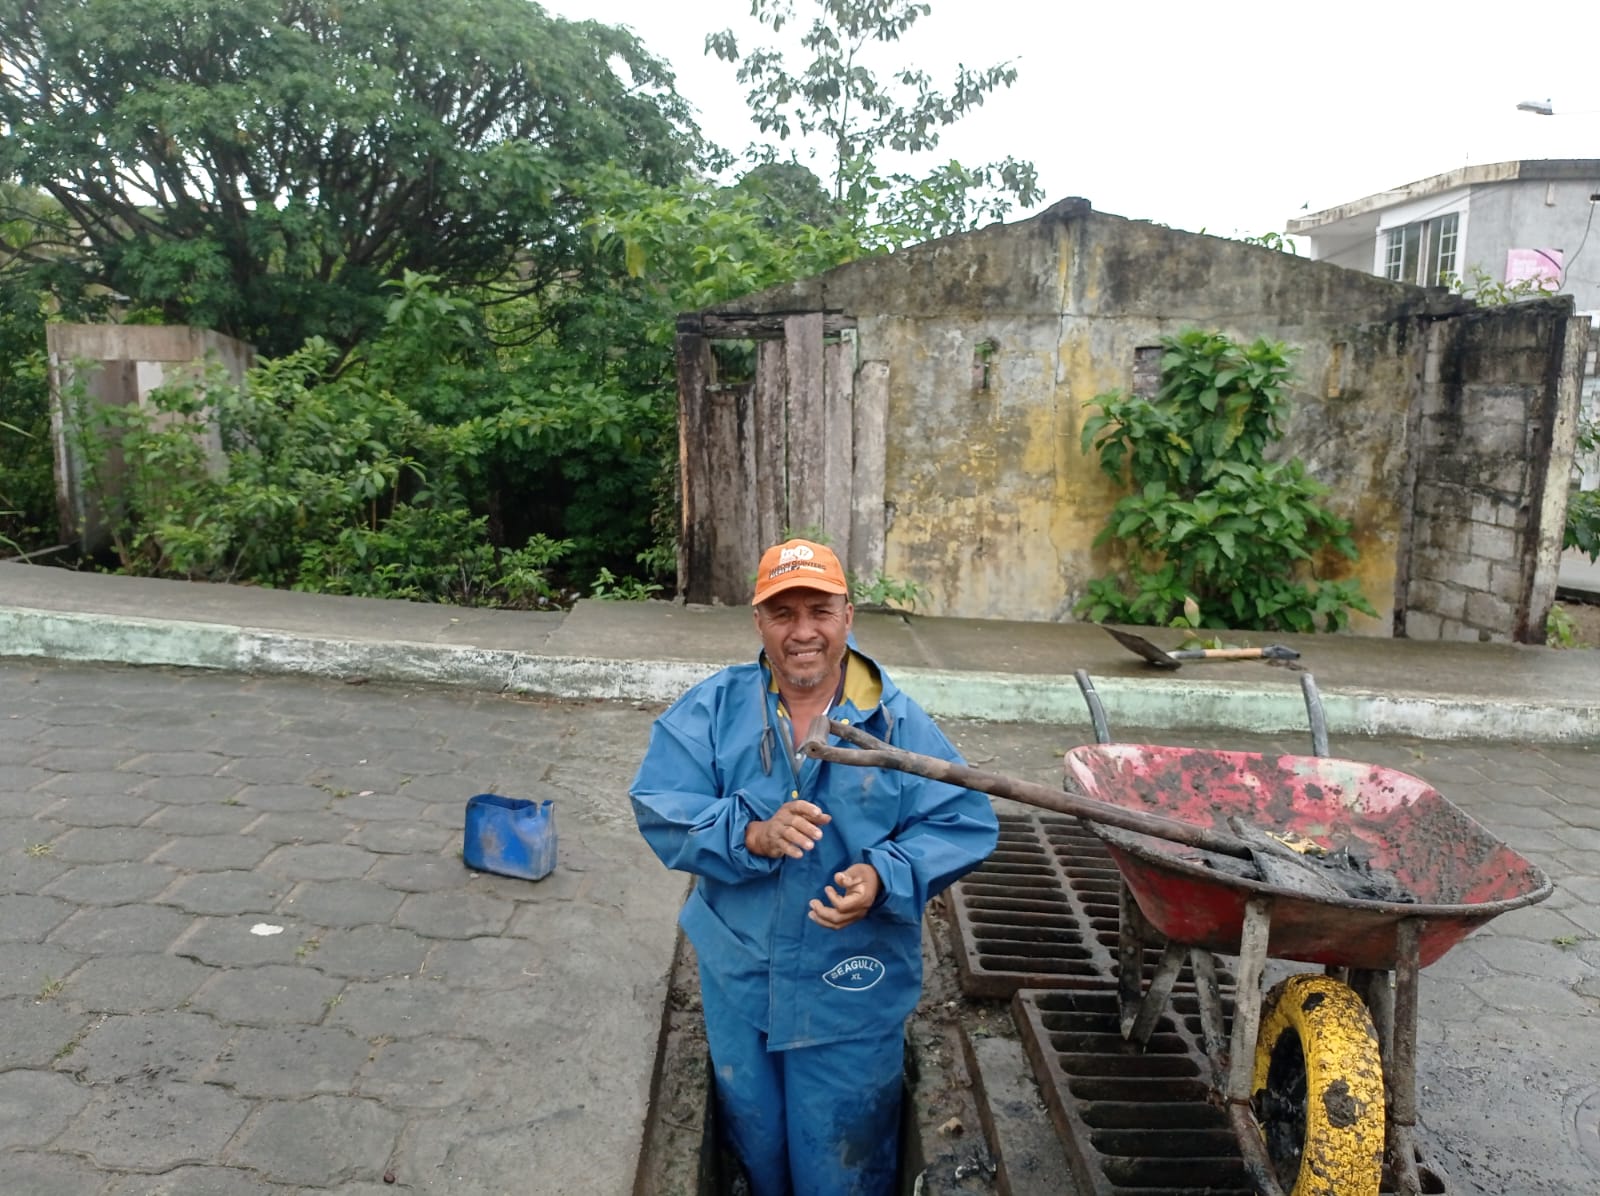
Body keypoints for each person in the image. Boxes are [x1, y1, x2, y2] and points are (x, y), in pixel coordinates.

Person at [630, 537, 999, 1196]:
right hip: (741, 975)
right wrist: (751, 834)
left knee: (841, 1161)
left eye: (819, 612)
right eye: (783, 613)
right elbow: (662, 804)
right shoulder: (714, 710)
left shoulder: (896, 722)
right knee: (758, 1142)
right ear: (759, 622)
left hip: (851, 985)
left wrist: (884, 876)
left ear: (847, 616)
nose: (803, 632)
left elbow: (963, 821)